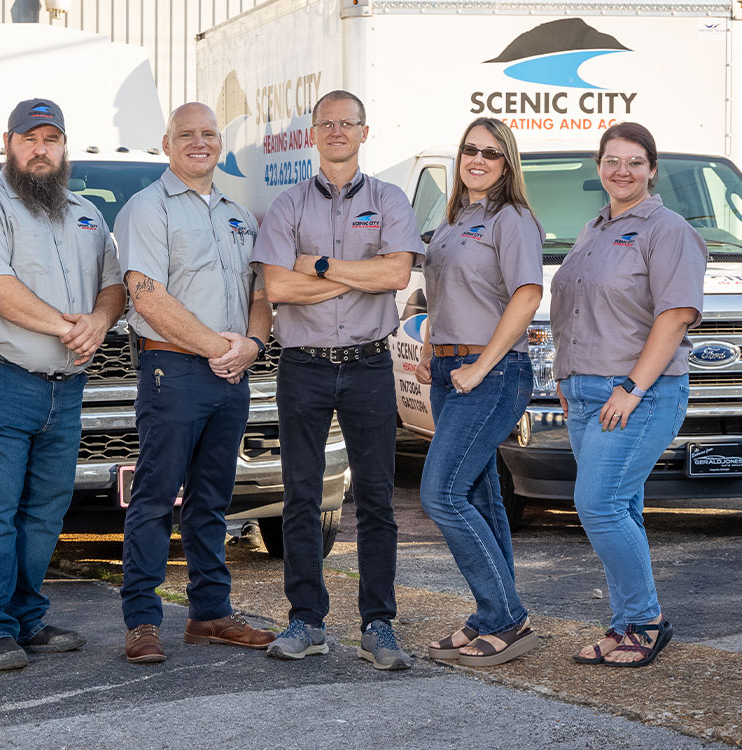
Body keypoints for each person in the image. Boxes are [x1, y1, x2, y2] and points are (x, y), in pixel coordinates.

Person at [0, 99, 125, 671]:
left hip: (64, 388)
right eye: (30, 139)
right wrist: (70, 327)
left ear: (64, 146)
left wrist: (99, 321)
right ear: (8, 143)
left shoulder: (86, 213)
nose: (40, 149)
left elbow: (114, 284)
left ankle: (27, 617)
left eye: (51, 139)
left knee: (45, 511)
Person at [253, 90, 422, 670]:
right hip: (303, 365)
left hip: (369, 364)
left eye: (347, 123)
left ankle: (379, 624)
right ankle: (306, 620)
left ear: (364, 132)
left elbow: (396, 274)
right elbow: (278, 287)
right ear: (313, 134)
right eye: (326, 123)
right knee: (301, 497)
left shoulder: (389, 199)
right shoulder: (288, 205)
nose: (336, 132)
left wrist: (319, 266)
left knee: (376, 499)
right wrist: (360, 275)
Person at [116, 102, 275, 664]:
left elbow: (261, 293)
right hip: (175, 370)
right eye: (186, 134)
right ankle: (142, 620)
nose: (199, 142)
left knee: (212, 500)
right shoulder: (147, 208)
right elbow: (147, 296)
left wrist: (252, 345)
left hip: (231, 372)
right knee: (156, 497)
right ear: (167, 144)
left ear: (219, 145)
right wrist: (218, 348)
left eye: (209, 133)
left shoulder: (240, 215)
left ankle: (209, 614)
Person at [552, 122, 706, 667]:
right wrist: (564, 376)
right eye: (613, 160)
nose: (623, 171)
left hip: (639, 393)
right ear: (599, 167)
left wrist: (632, 388)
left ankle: (646, 621)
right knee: (621, 510)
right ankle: (624, 626)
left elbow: (676, 315)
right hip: (585, 393)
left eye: (635, 161)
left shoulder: (667, 230)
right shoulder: (593, 229)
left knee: (598, 506)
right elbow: (575, 307)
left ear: (652, 169)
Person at [415, 118, 544, 666]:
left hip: (491, 372)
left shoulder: (511, 218)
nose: (478, 159)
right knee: (481, 497)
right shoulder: (452, 220)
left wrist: (479, 365)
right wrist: (430, 348)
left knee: (441, 495)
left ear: (506, 162)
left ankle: (508, 617)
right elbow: (442, 291)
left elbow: (527, 296)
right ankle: (494, 614)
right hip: (449, 369)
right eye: (470, 149)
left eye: (491, 153)